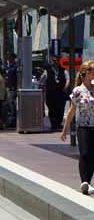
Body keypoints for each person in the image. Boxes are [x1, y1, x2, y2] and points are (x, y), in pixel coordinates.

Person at [61, 61, 94, 195]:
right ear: (86, 72)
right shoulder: (77, 91)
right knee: (85, 153)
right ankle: (84, 181)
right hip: (83, 127)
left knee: (93, 155)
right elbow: (71, 111)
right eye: (92, 70)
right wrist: (65, 130)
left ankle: (88, 182)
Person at [40, 54, 69, 131]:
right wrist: (42, 89)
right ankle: (53, 124)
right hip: (50, 94)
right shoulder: (47, 71)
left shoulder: (63, 70)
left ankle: (58, 124)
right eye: (54, 60)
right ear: (51, 61)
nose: (55, 62)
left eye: (57, 61)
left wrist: (66, 86)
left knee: (60, 109)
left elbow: (68, 79)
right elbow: (41, 81)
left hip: (60, 93)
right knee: (52, 109)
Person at [6, 53, 18, 128]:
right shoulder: (9, 66)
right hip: (9, 87)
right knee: (10, 104)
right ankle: (12, 119)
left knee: (13, 105)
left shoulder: (15, 66)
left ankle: (14, 120)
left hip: (14, 88)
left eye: (9, 57)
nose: (8, 59)